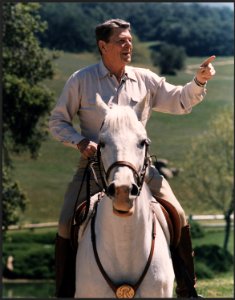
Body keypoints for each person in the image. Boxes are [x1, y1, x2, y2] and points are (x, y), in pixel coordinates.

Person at [49, 19, 216, 298]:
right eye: (121, 41)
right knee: (66, 222)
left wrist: (198, 81)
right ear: (103, 46)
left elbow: (179, 100)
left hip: (141, 169)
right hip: (94, 170)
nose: (128, 45)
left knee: (177, 214)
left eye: (129, 40)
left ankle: (188, 289)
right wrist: (79, 142)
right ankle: (64, 292)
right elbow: (57, 121)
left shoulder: (145, 78)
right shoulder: (81, 80)